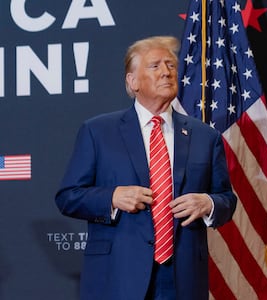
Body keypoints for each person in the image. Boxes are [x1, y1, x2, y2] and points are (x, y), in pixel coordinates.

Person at [55, 36, 237, 300]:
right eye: (155, 66)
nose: (166, 72)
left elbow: (226, 199)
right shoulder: (98, 131)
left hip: (183, 277)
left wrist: (208, 203)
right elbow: (67, 196)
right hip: (118, 275)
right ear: (132, 81)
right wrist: (112, 197)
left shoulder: (204, 136)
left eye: (171, 65)